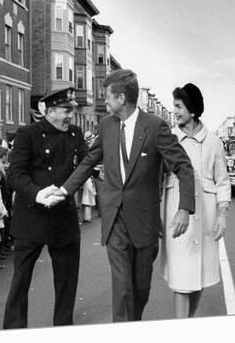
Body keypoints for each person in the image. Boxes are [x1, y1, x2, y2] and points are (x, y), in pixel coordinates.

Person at [59, 70, 195, 322]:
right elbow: (90, 161)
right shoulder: (107, 126)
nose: (105, 101)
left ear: (121, 98)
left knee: (140, 289)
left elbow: (183, 167)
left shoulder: (155, 127)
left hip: (144, 223)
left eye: (107, 96)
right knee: (121, 288)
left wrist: (185, 208)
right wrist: (64, 190)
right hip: (115, 220)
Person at [2, 87, 88, 329]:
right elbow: (14, 174)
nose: (70, 116)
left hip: (64, 218)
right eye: (65, 111)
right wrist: (38, 194)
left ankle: (62, 329)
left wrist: (66, 191)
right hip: (32, 217)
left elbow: (87, 164)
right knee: (20, 282)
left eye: (71, 110)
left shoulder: (75, 134)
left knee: (67, 283)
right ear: (49, 112)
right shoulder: (28, 134)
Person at [160, 83, 231, 318]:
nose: (175, 111)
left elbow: (222, 182)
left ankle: (188, 321)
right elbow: (154, 178)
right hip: (176, 216)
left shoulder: (213, 143)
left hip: (207, 218)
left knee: (199, 278)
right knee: (181, 278)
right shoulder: (169, 139)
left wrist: (222, 216)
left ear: (191, 109)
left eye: (179, 106)